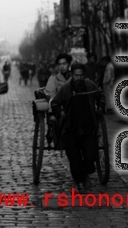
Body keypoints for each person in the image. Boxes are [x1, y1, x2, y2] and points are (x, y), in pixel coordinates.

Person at [51, 62, 102, 192]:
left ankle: (85, 175)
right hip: (71, 129)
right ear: (71, 75)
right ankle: (78, 180)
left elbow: (100, 97)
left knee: (90, 157)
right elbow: (55, 103)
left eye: (80, 75)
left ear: (83, 75)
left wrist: (100, 106)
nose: (78, 78)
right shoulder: (65, 89)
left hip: (88, 128)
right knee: (75, 159)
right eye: (75, 76)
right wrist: (60, 112)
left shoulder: (90, 86)